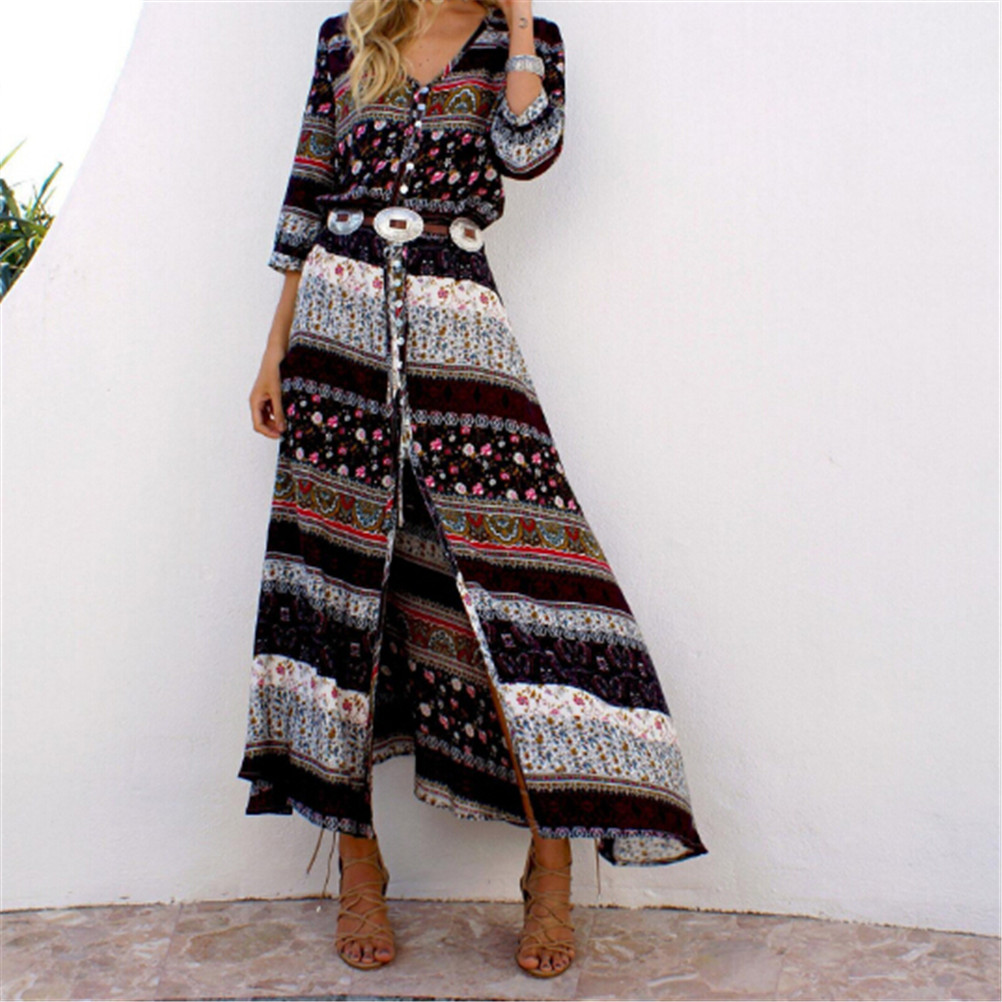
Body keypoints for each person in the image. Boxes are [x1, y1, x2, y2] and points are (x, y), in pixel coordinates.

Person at [240, 0, 708, 979]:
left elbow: (528, 153)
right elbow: (307, 193)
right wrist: (273, 348)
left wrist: (524, 24)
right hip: (336, 326)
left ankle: (552, 869)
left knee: (517, 576)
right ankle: (357, 868)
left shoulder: (521, 43)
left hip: (461, 324)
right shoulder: (346, 36)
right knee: (341, 587)